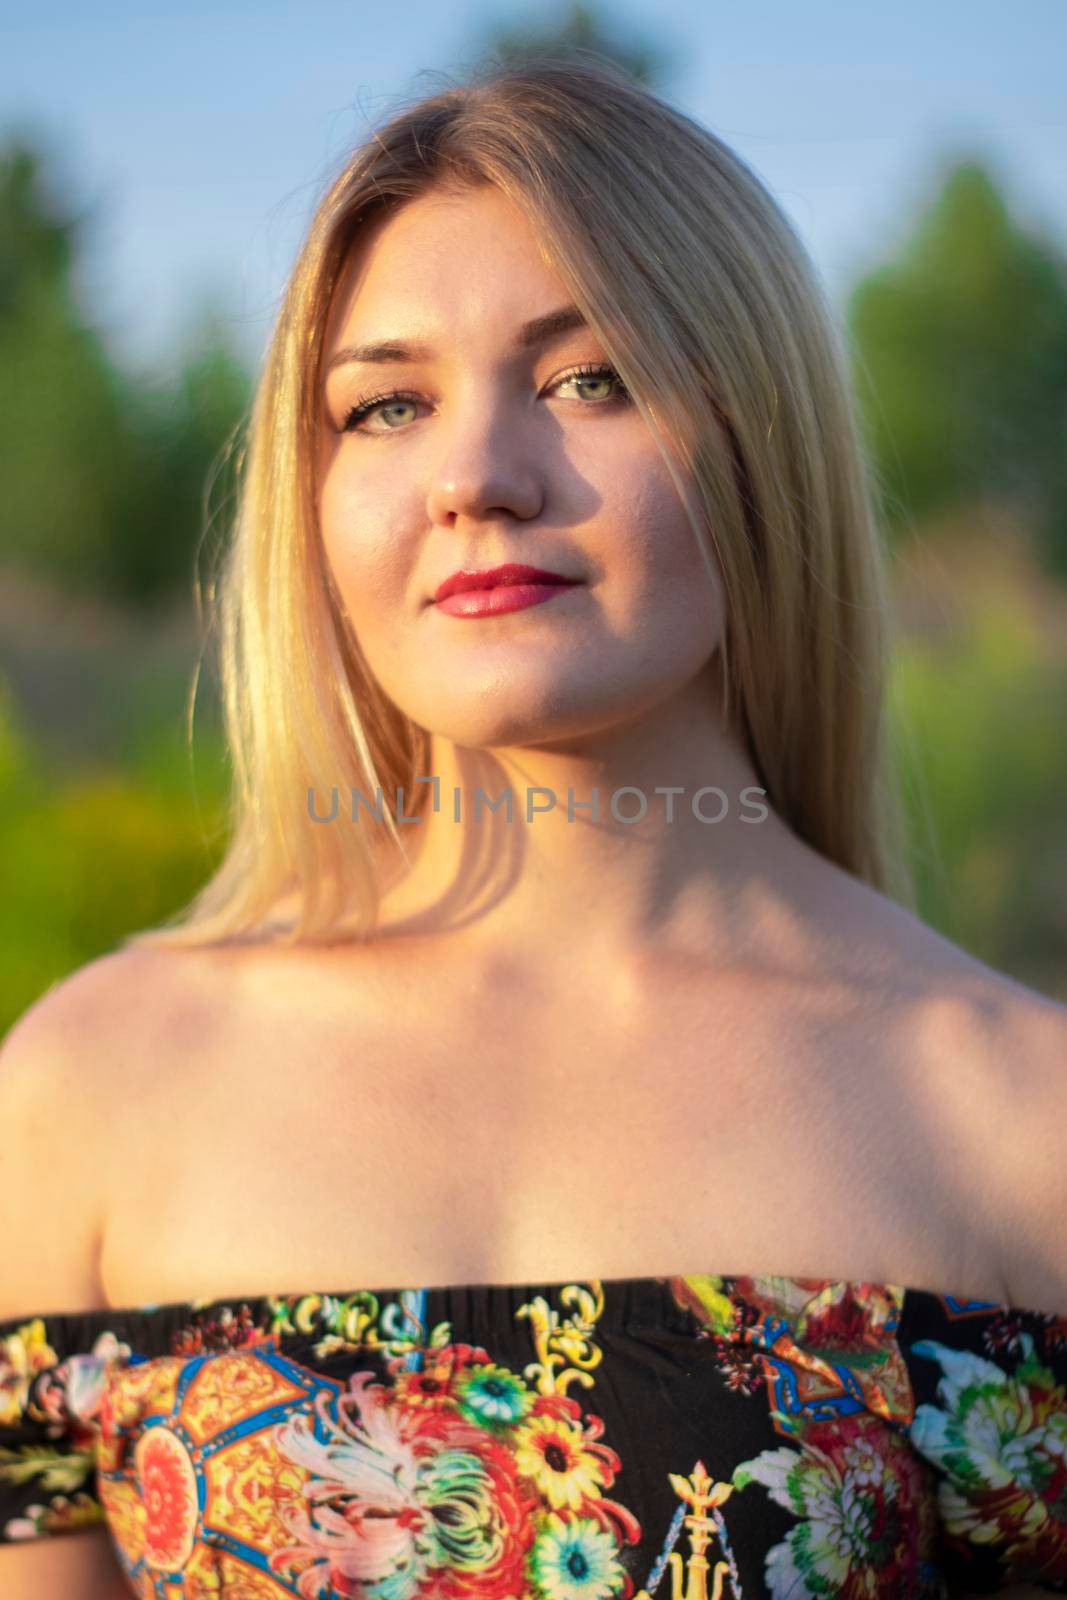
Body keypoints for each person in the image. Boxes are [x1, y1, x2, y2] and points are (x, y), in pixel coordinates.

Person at [1, 52, 1064, 1600]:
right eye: (385, 406)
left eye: (591, 379)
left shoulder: (1019, 1122)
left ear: (762, 436)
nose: (477, 479)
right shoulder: (84, 1096)